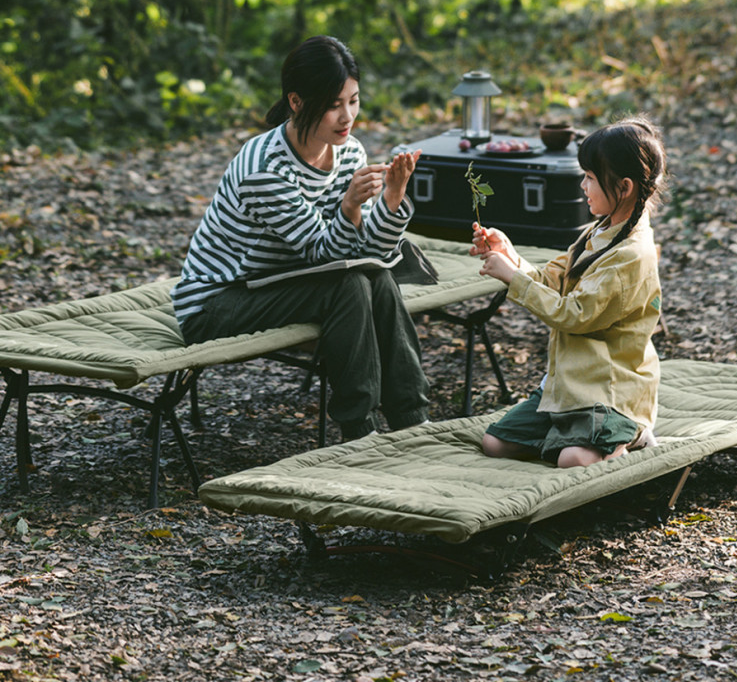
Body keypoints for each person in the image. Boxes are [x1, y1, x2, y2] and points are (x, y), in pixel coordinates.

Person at [171, 35, 430, 440]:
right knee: (346, 286)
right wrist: (348, 207)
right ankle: (359, 433)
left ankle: (412, 421)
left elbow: (371, 255)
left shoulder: (349, 153)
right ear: (296, 101)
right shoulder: (265, 168)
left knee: (376, 278)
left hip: (280, 282)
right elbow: (322, 253)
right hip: (217, 302)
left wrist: (392, 201)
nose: (348, 117)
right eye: (333, 105)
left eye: (353, 100)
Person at [471, 115, 667, 467]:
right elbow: (553, 280)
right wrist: (509, 256)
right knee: (495, 443)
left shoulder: (630, 255)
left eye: (590, 178)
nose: (583, 186)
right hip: (569, 384)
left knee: (572, 459)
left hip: (609, 393)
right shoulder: (599, 231)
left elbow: (573, 315)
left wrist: (512, 280)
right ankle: (573, 434)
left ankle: (633, 435)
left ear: (624, 188)